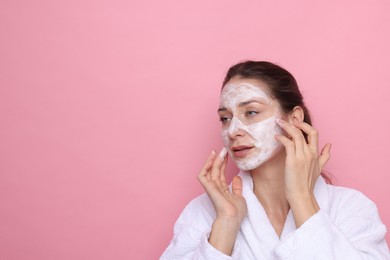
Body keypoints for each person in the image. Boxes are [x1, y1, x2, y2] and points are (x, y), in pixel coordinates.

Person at [160, 61, 390, 259]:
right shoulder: (203, 212)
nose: (233, 131)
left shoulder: (351, 208)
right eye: (225, 118)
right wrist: (225, 226)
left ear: (294, 118)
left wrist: (302, 199)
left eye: (251, 112)